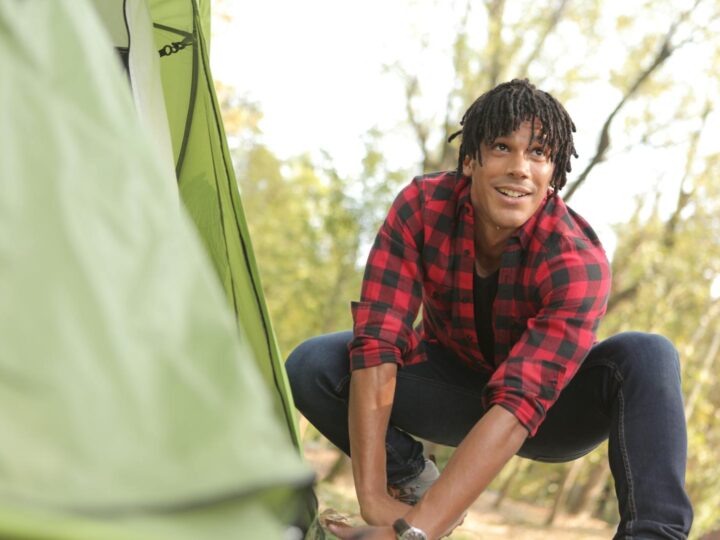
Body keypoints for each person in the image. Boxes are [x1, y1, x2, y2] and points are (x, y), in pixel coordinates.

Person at [286, 79, 693, 540]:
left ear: (554, 173)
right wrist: (375, 500)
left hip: (548, 413)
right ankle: (414, 486)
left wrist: (411, 535)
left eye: (538, 153)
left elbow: (519, 402)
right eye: (502, 147)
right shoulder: (422, 208)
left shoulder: (575, 260)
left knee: (647, 352)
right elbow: (378, 344)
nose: (520, 168)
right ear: (469, 160)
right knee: (315, 364)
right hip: (450, 388)